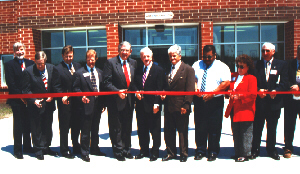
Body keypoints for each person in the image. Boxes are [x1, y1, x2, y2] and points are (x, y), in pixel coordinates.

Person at [21, 51, 62, 160]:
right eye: (38, 63)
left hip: (49, 104)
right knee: (36, 128)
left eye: (42, 63)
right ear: (35, 61)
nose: (40, 66)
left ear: (45, 61)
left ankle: (46, 147)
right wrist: (34, 100)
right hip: (35, 106)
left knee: (47, 127)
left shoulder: (52, 68)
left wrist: (53, 96)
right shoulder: (28, 72)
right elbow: (26, 90)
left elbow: (56, 85)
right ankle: (38, 149)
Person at [192, 45, 230, 161]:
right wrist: (195, 89)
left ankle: (213, 151)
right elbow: (193, 79)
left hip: (215, 101)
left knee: (214, 127)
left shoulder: (222, 66)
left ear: (214, 55)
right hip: (200, 100)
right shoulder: (196, 64)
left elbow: (226, 83)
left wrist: (212, 93)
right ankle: (200, 150)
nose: (207, 59)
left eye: (209, 57)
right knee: (200, 127)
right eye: (205, 56)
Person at [251, 42, 288, 160]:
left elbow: (285, 82)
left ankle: (271, 150)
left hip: (274, 102)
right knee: (257, 127)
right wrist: (258, 91)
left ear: (273, 52)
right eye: (263, 51)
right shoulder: (255, 65)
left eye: (267, 51)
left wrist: (276, 91)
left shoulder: (281, 64)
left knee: (272, 127)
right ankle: (255, 149)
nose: (265, 53)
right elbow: (251, 82)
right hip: (260, 102)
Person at [103, 41, 137, 161]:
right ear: (119, 50)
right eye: (122, 50)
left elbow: (134, 82)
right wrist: (117, 91)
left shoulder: (133, 63)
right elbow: (106, 82)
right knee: (116, 127)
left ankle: (126, 149)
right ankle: (118, 151)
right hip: (115, 101)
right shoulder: (110, 63)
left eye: (127, 50)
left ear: (130, 52)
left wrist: (137, 91)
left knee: (127, 127)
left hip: (129, 101)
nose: (124, 52)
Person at [161, 44, 195, 162]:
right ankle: (171, 153)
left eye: (174, 56)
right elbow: (166, 86)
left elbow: (190, 89)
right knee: (169, 131)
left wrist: (186, 105)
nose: (172, 58)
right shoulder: (167, 69)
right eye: (170, 56)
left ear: (180, 56)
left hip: (181, 106)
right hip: (169, 105)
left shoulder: (188, 69)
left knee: (182, 131)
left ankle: (184, 153)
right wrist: (163, 93)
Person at [73, 49, 106, 162]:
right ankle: (85, 152)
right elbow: (75, 88)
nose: (90, 61)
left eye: (92, 59)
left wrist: (103, 104)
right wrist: (81, 96)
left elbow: (102, 89)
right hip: (85, 106)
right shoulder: (79, 73)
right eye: (88, 59)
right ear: (85, 59)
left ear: (96, 59)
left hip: (97, 105)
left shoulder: (100, 72)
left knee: (95, 129)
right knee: (86, 130)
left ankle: (95, 149)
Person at [224, 54, 257, 162]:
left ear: (248, 67)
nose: (239, 69)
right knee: (236, 132)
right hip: (234, 109)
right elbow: (228, 88)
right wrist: (228, 92)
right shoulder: (233, 76)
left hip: (245, 109)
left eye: (242, 66)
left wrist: (240, 96)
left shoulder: (251, 78)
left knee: (246, 133)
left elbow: (253, 95)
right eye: (238, 66)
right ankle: (238, 152)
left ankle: (245, 154)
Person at [5, 42, 34, 159]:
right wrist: (22, 96)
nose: (19, 52)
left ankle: (27, 146)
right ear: (14, 52)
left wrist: (29, 96)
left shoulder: (31, 63)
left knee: (28, 123)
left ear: (25, 50)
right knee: (18, 125)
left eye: (21, 49)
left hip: (29, 99)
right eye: (17, 50)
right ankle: (17, 149)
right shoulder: (9, 64)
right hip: (17, 100)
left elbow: (34, 80)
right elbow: (10, 83)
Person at [134, 47, 164, 161]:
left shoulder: (159, 70)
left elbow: (160, 88)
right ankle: (143, 151)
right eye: (144, 56)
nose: (146, 58)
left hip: (153, 106)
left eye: (148, 56)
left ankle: (155, 152)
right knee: (142, 130)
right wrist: (136, 91)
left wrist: (157, 104)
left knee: (155, 130)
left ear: (152, 57)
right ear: (141, 58)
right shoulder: (138, 70)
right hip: (141, 105)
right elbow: (134, 84)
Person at [55, 45, 81, 158]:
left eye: (70, 56)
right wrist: (62, 95)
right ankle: (64, 149)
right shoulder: (58, 69)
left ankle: (76, 145)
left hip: (77, 103)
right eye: (66, 56)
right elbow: (56, 86)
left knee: (76, 125)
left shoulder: (78, 66)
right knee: (65, 127)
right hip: (65, 103)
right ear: (62, 56)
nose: (69, 58)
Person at [283, 45, 300, 158]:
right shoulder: (289, 64)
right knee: (289, 124)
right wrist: (292, 87)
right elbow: (284, 79)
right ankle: (288, 147)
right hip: (291, 99)